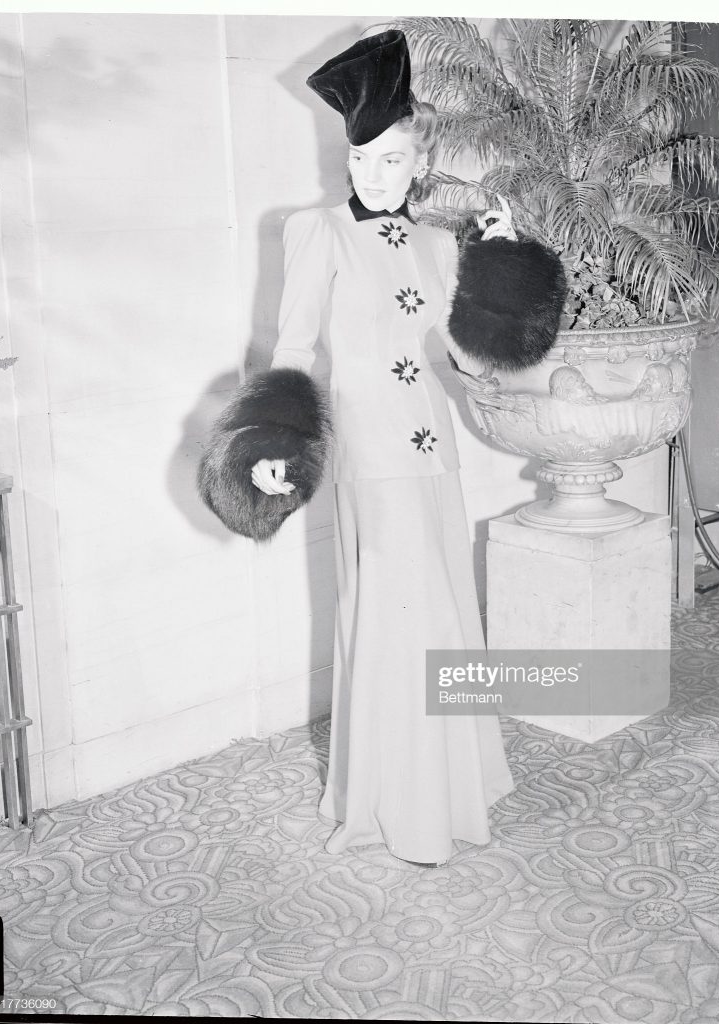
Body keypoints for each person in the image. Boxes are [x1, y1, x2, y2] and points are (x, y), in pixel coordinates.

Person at [251, 30, 516, 866]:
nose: (376, 174)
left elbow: (470, 356)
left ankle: (448, 789)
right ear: (349, 156)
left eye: (394, 160)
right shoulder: (316, 231)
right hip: (369, 457)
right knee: (396, 620)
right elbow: (292, 350)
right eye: (364, 158)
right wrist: (273, 439)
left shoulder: (441, 246)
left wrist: (499, 266)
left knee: (440, 615)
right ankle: (395, 806)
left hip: (437, 456)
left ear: (418, 163)